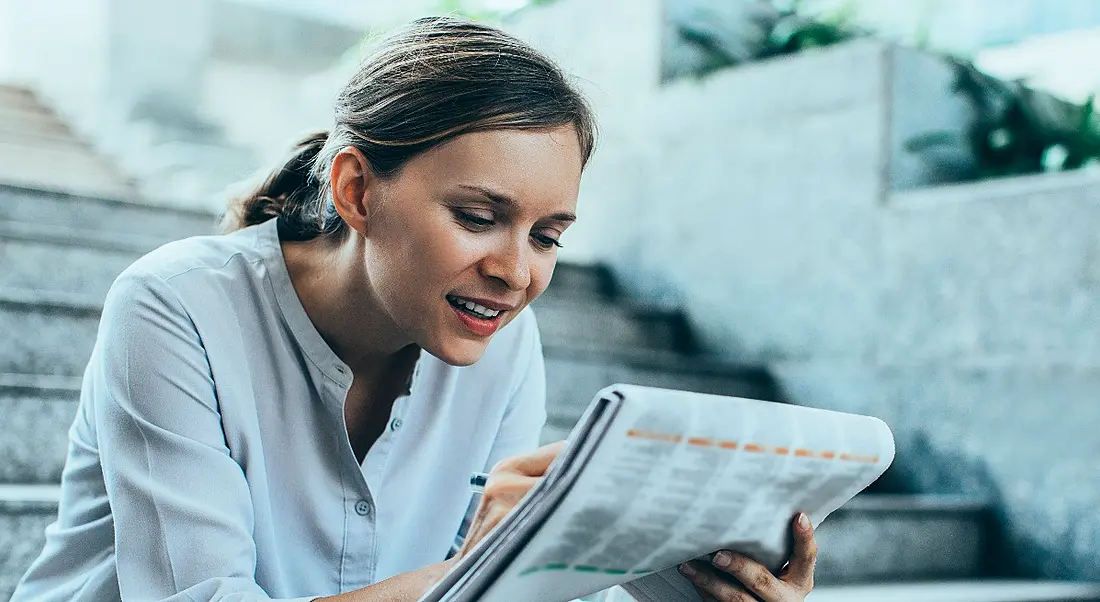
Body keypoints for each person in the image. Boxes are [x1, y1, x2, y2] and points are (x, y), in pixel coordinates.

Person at [11, 16, 817, 602]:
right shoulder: (174, 305)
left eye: (548, 236)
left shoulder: (503, 343)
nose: (514, 272)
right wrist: (496, 570)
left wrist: (666, 580)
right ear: (357, 190)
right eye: (476, 217)